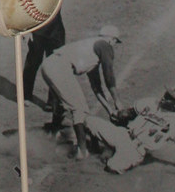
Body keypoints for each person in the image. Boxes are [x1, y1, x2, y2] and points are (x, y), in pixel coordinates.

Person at [38, 26, 122, 160]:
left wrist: (110, 110)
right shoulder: (104, 45)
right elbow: (109, 77)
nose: (114, 45)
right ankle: (82, 151)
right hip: (58, 68)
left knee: (63, 102)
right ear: (111, 39)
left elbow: (96, 87)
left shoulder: (92, 49)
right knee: (80, 109)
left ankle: (53, 132)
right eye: (115, 42)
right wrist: (118, 102)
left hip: (49, 65)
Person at [85, 86, 175, 176]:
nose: (163, 97)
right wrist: (121, 115)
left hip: (135, 149)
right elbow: (130, 113)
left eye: (168, 97)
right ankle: (100, 148)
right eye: (165, 94)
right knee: (89, 121)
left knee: (112, 168)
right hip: (124, 134)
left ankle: (113, 152)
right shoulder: (151, 102)